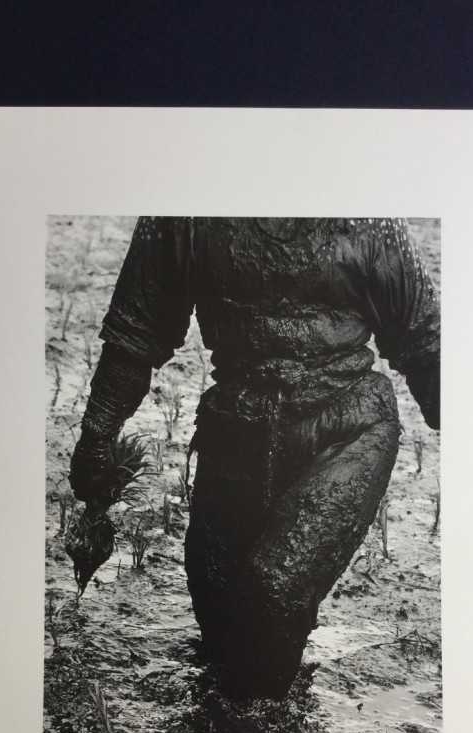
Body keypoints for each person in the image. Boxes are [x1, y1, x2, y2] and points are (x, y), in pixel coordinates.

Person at [70, 217, 440, 700]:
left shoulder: (367, 217)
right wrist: (98, 434)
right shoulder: (185, 211)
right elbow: (136, 332)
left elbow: (426, 344)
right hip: (235, 427)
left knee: (272, 587)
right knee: (221, 627)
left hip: (347, 427)